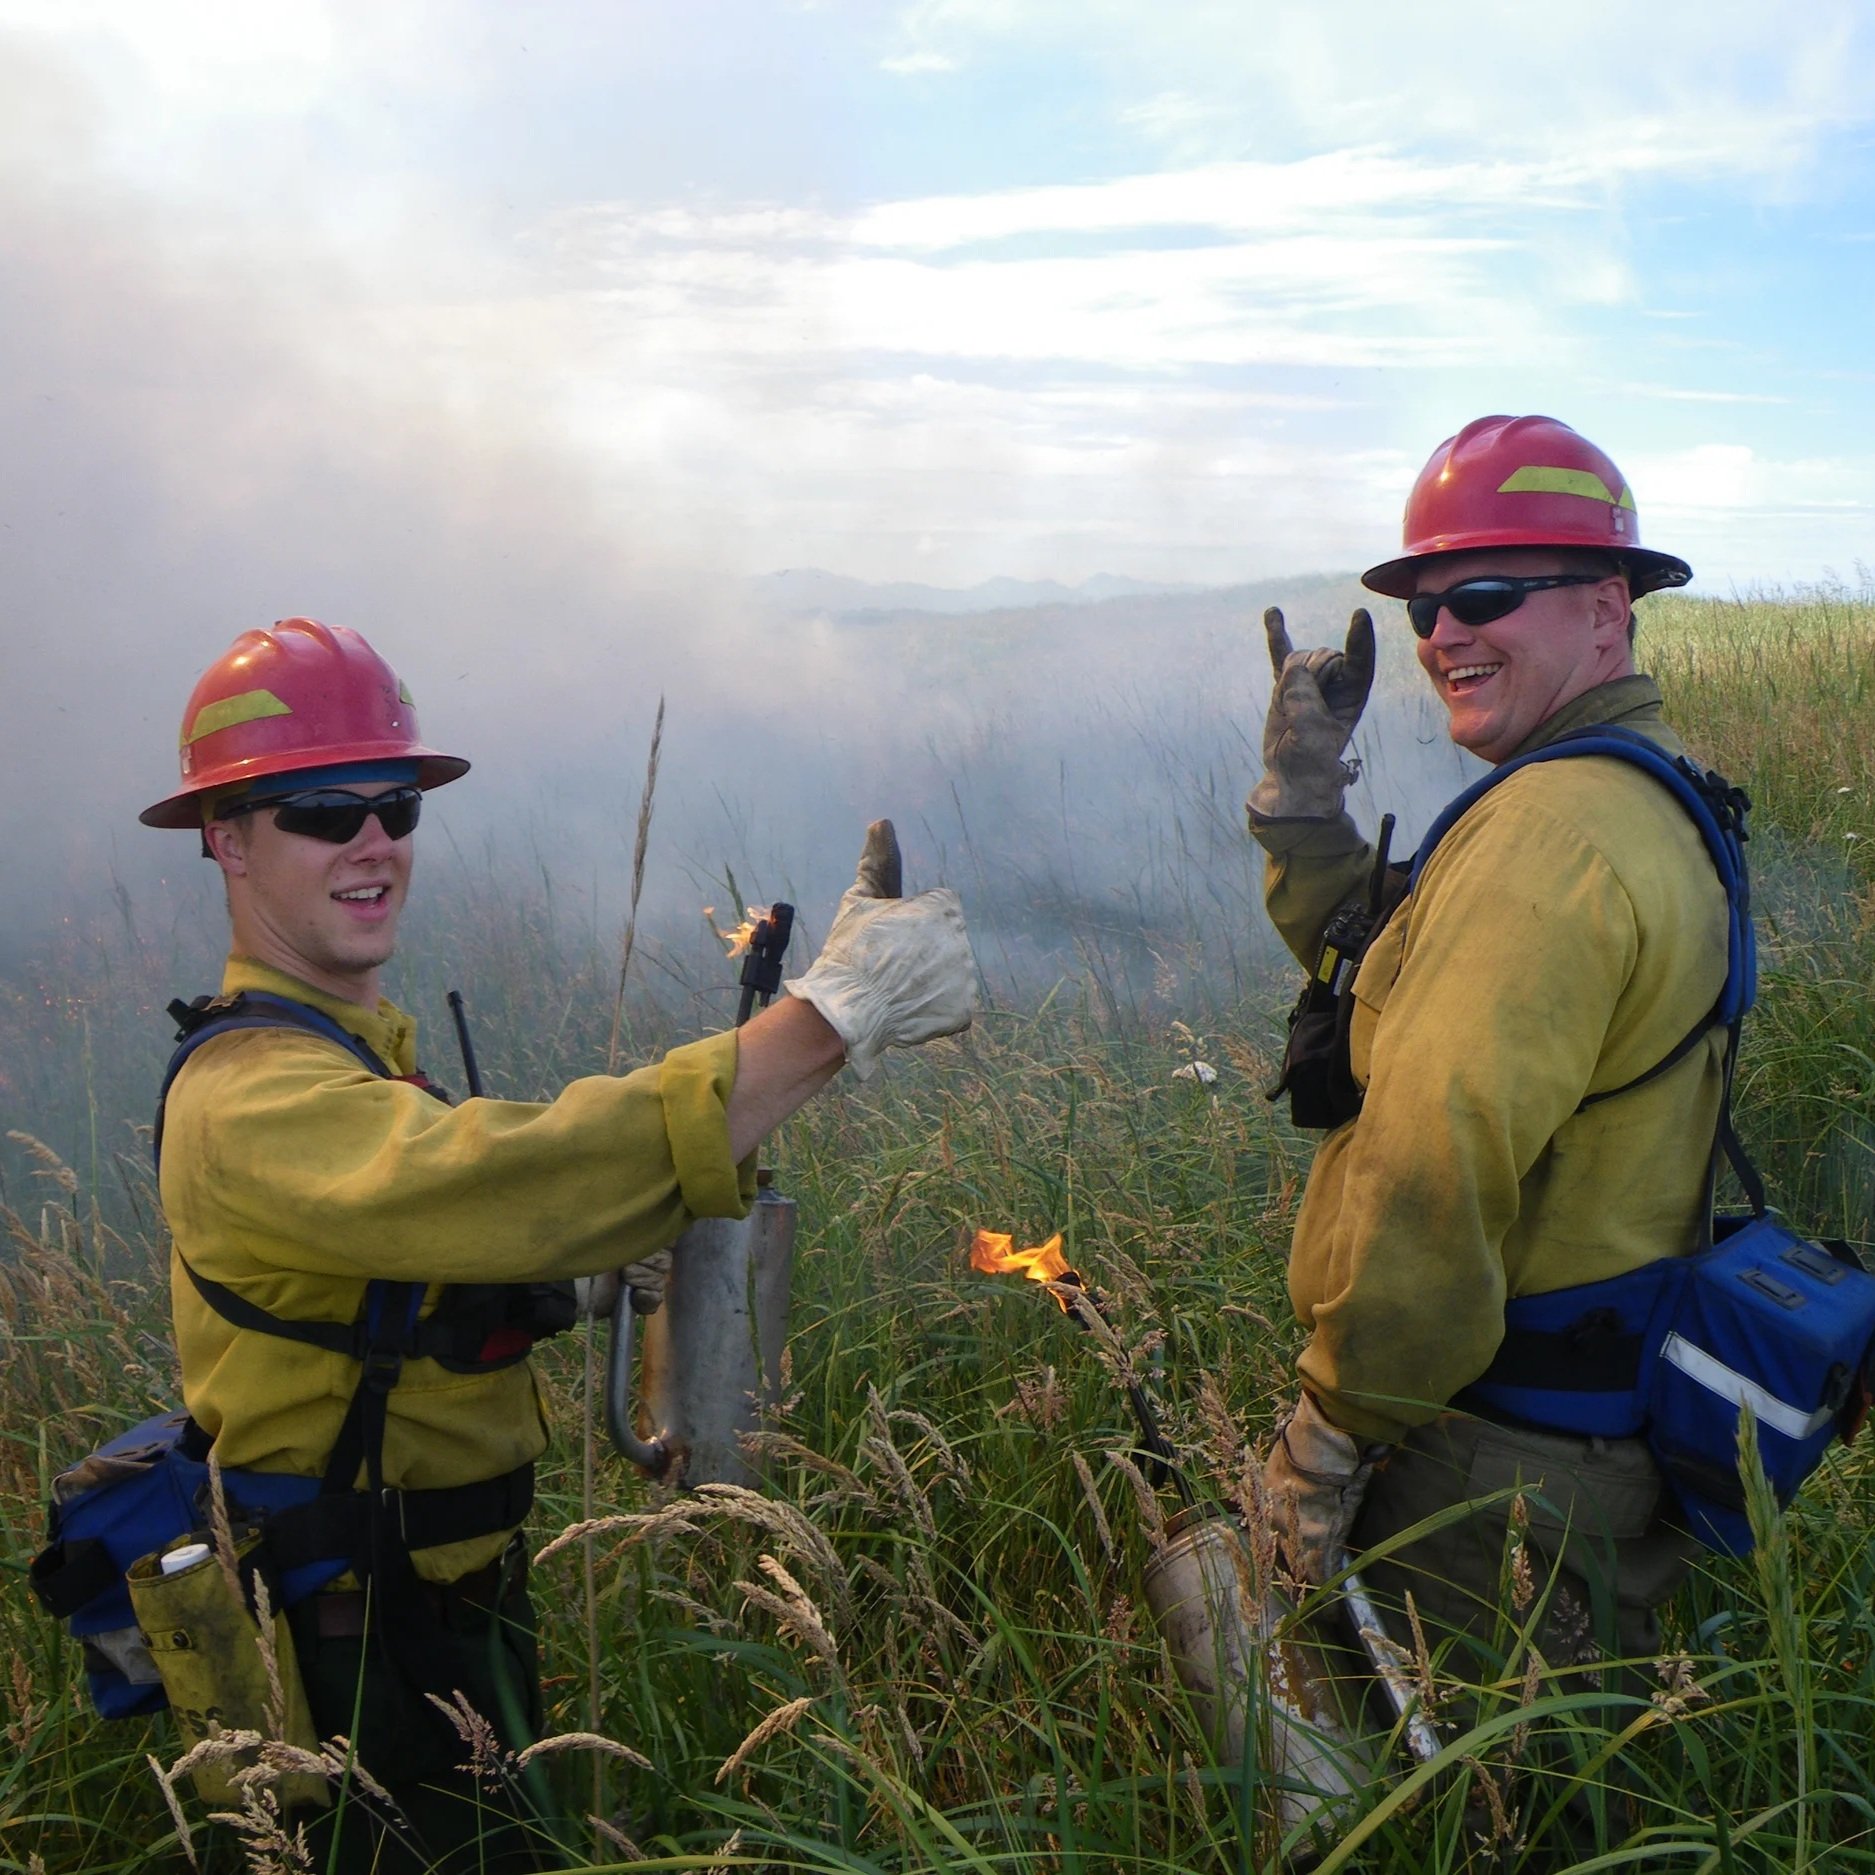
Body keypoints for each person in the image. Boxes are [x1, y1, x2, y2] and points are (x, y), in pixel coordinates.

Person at [139, 616, 976, 1872]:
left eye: (395, 806)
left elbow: (411, 1253)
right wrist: (830, 1018)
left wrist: (566, 1284)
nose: (372, 839)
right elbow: (497, 1174)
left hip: (446, 1599)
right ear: (228, 836)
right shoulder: (249, 1097)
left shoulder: (353, 1055)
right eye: (320, 807)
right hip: (350, 1645)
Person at [1249, 417, 1726, 1722]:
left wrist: (1329, 1427)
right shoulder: (1619, 793)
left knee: (1453, 1810)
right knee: (1546, 1791)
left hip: (1485, 1459)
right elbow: (1381, 965)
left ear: (1604, 613)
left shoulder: (1549, 840)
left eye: (1482, 596)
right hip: (1572, 1437)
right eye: (1423, 607)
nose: (1441, 632)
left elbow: (1427, 1163)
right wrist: (1302, 789)